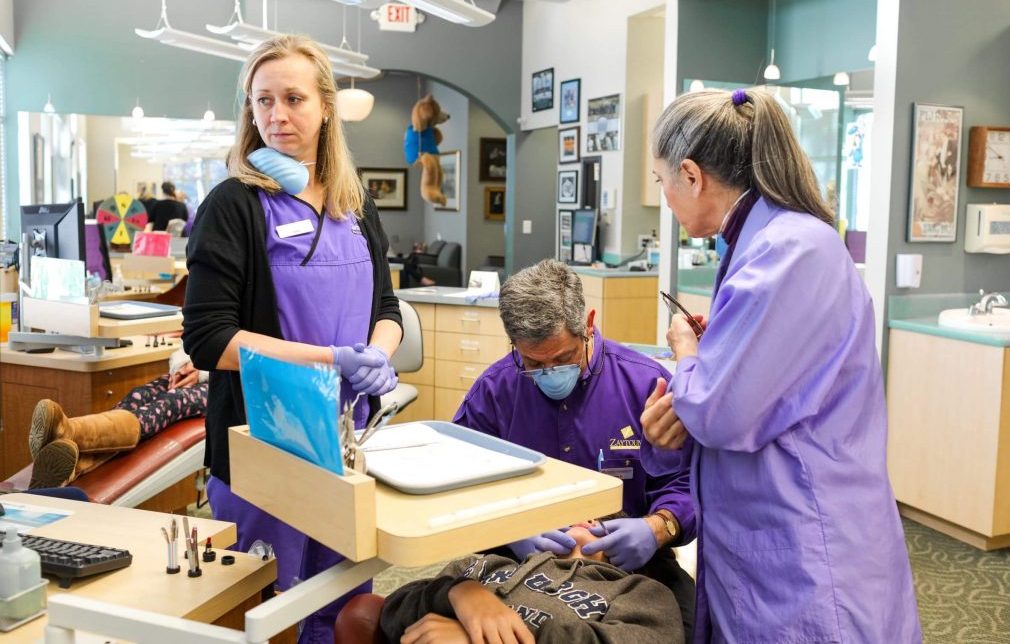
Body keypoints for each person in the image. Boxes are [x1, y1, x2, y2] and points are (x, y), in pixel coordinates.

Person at [640, 88, 921, 643]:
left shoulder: (787, 251)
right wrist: (713, 359)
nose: (665, 197)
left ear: (691, 176)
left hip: (806, 533)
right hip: (769, 520)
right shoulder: (768, 243)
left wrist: (689, 355)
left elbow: (719, 412)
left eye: (662, 181)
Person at [182, 34, 402, 643]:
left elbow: (386, 306)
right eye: (263, 101)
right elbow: (208, 338)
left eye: (294, 99)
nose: (277, 116)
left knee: (346, 606)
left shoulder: (356, 204)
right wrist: (332, 359)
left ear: (326, 107)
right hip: (262, 443)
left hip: (345, 442)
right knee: (270, 610)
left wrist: (377, 354)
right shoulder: (234, 205)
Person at [453, 259, 695, 642]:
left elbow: (690, 484)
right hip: (517, 563)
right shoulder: (494, 392)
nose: (550, 372)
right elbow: (458, 489)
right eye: (533, 363)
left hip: (630, 568)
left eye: (563, 358)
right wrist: (513, 529)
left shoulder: (648, 386)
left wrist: (657, 527)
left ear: (589, 325)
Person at [380, 519, 683, 643]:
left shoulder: (639, 591)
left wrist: (478, 637)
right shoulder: (488, 565)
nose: (584, 519)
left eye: (599, 520)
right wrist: (462, 593)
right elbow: (393, 611)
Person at [26, 347, 208, 489]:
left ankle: (68, 432)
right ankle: (76, 465)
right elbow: (189, 341)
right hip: (196, 369)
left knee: (171, 402)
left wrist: (203, 370)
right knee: (139, 395)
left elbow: (235, 354)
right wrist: (183, 365)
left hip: (225, 384)